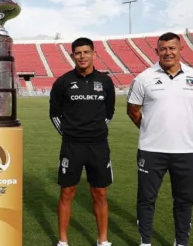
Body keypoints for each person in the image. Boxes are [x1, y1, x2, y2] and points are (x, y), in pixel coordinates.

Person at [127, 32, 193, 246]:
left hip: (186, 151)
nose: (168, 52)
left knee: (184, 201)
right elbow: (133, 110)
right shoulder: (143, 78)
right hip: (151, 150)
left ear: (180, 49)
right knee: (146, 199)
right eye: (163, 48)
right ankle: (145, 242)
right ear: (156, 51)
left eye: (172, 48)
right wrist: (150, 128)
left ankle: (180, 242)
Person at [49, 37, 115, 246]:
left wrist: (94, 132)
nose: (82, 56)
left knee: (100, 192)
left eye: (86, 52)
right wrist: (71, 134)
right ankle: (63, 241)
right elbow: (54, 114)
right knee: (67, 192)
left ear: (94, 54)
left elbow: (109, 112)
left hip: (98, 146)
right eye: (78, 53)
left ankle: (103, 240)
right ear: (72, 56)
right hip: (72, 146)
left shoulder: (105, 81)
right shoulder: (63, 82)